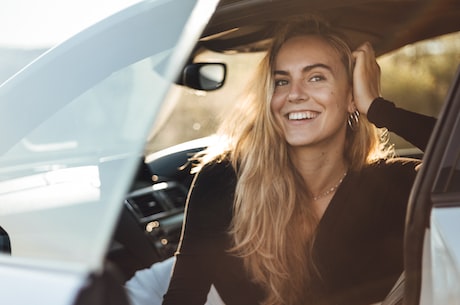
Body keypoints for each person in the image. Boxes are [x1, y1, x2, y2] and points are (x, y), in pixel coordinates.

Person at [162, 17, 436, 305]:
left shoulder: (396, 186)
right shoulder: (223, 182)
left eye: (316, 77)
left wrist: (379, 108)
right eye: (282, 81)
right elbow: (183, 297)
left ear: (350, 96)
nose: (294, 94)